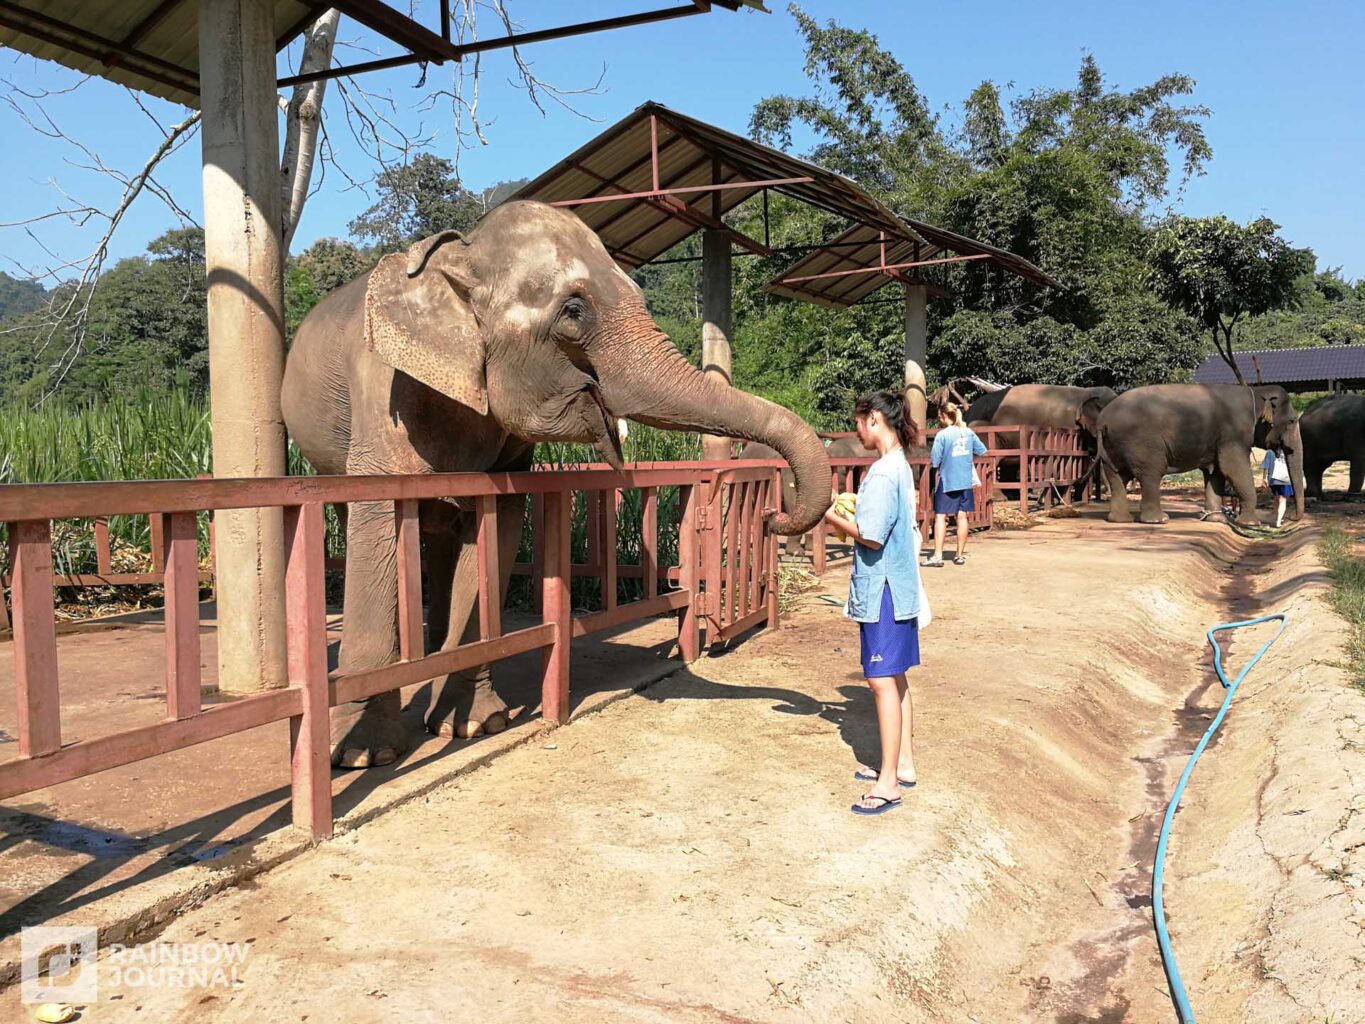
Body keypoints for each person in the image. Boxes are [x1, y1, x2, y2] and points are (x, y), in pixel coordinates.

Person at [821, 390, 924, 816]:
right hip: (898, 586)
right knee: (895, 678)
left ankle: (887, 785)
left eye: (859, 422)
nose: (857, 430)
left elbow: (872, 535)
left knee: (880, 681)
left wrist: (828, 513)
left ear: (875, 420)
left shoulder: (882, 473)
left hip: (882, 589)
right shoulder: (897, 466)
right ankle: (903, 765)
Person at [925, 402, 986, 567]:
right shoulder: (968, 432)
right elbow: (982, 450)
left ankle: (937, 556)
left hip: (948, 481)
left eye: (940, 416)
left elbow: (935, 461)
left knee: (940, 516)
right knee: (962, 516)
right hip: (965, 480)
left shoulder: (942, 435)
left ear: (944, 416)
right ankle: (959, 555)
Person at [1262, 445, 1294, 528]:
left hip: (1273, 479)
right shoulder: (1289, 452)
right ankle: (1278, 521)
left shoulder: (1270, 452)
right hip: (1285, 479)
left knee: (1276, 498)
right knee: (1283, 500)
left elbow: (1266, 466)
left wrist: (1264, 478)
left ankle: (1275, 517)